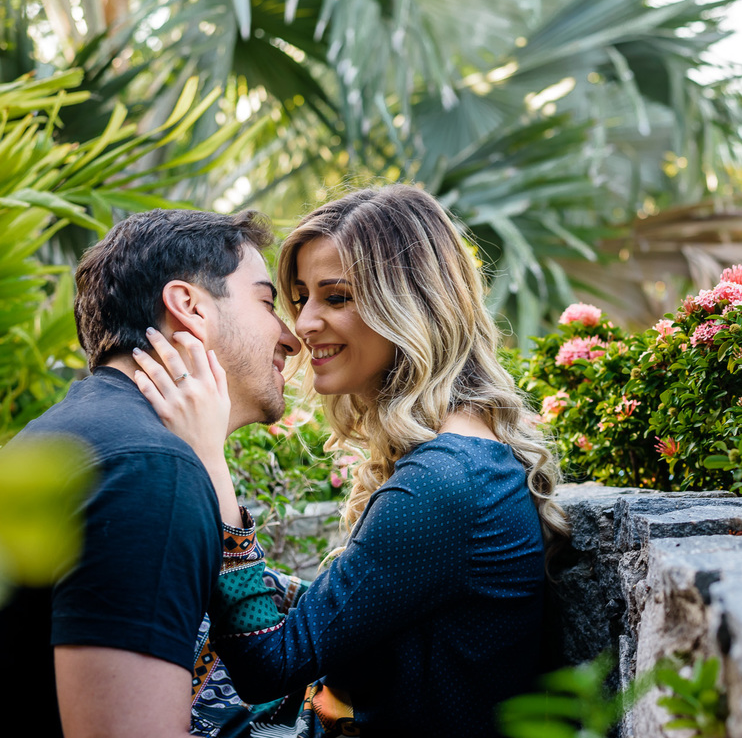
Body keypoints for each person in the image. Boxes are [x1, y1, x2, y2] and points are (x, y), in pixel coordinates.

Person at [134, 184, 570, 737]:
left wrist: (209, 456)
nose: (304, 324)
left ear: (411, 307)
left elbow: (269, 665)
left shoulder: (447, 481)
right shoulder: (459, 457)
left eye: (335, 297)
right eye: (299, 298)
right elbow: (357, 605)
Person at [1, 209, 301, 737]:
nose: (290, 338)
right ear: (189, 307)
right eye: (266, 301)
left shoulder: (73, 434)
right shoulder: (149, 468)